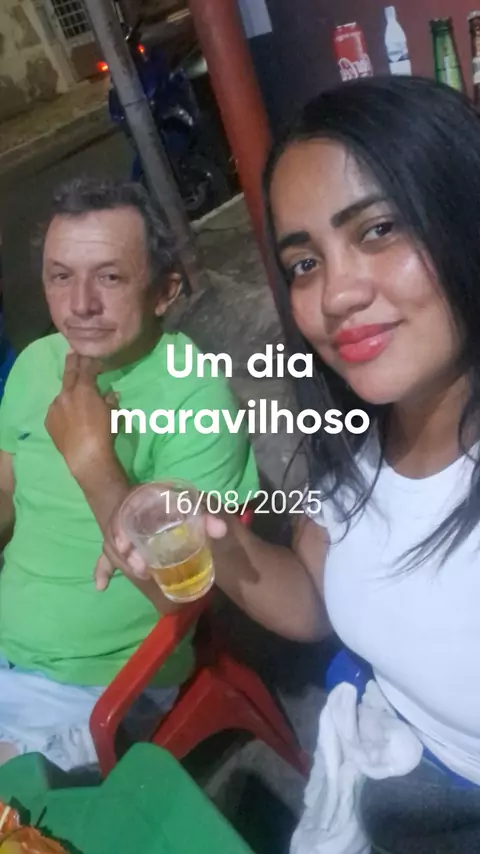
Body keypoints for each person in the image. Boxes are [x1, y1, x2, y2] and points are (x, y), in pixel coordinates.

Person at [108, 76, 480, 852]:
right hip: (396, 779)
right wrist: (212, 534)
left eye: (379, 229)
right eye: (304, 263)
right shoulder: (362, 434)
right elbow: (315, 598)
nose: (335, 295)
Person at [0, 177, 258, 772]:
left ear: (165, 291)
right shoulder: (36, 363)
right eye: (60, 276)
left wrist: (94, 464)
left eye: (110, 278)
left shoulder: (195, 396)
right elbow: (7, 492)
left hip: (99, 689)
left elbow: (184, 595)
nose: (80, 304)